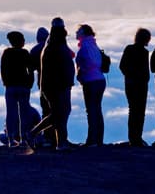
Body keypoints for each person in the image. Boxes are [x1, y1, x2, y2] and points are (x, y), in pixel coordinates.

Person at [32, 19, 76, 151]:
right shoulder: (55, 44)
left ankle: (59, 140)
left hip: (57, 85)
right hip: (57, 85)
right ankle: (59, 141)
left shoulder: (54, 43)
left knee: (59, 113)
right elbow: (58, 66)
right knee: (59, 113)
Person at [0, 31, 33, 147]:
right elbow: (31, 69)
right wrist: (30, 83)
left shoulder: (7, 53)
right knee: (24, 113)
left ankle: (11, 139)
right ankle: (24, 138)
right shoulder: (25, 53)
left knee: (11, 113)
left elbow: (3, 70)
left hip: (11, 87)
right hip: (23, 87)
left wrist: (6, 83)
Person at [119, 28, 151, 147]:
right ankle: (136, 137)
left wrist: (129, 76)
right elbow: (146, 71)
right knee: (140, 111)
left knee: (133, 110)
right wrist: (143, 79)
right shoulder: (144, 52)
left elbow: (122, 66)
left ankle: (133, 138)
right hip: (140, 85)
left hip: (131, 84)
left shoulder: (129, 49)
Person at [75, 24, 105, 147]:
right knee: (97, 110)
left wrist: (82, 74)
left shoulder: (84, 47)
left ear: (83, 33)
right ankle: (98, 139)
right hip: (100, 80)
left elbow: (87, 63)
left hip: (90, 81)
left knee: (91, 111)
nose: (76, 32)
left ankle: (92, 140)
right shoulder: (94, 45)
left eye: (78, 31)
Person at [29, 27, 50, 119]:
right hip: (58, 82)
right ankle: (58, 131)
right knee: (56, 110)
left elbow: (31, 67)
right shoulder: (55, 46)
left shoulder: (35, 50)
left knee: (45, 109)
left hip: (42, 82)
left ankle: (48, 132)